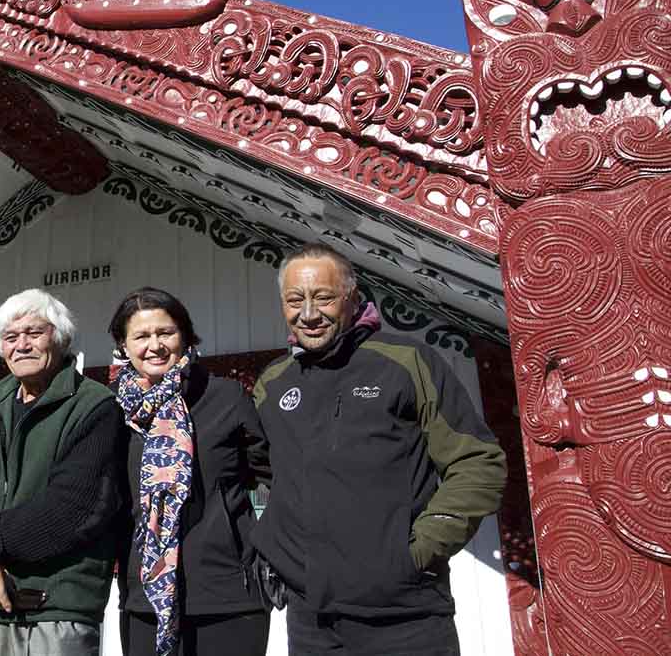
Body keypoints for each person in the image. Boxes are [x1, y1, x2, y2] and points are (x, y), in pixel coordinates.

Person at [249, 243, 507, 655]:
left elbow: (478, 462)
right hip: (313, 621)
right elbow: (262, 474)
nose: (309, 314)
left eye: (324, 297)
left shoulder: (407, 362)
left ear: (353, 297)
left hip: (406, 615)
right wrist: (276, 552)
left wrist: (415, 552)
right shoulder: (274, 383)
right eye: (295, 300)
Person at [0, 288, 126, 656]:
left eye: (35, 333)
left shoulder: (96, 407)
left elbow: (75, 506)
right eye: (10, 337)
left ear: (61, 338)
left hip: (49, 614)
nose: (22, 345)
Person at [109, 288, 271, 656]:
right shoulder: (114, 412)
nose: (155, 345)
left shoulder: (226, 397)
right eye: (142, 336)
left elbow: (271, 475)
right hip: (144, 597)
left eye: (165, 333)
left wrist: (260, 545)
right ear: (123, 344)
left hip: (227, 594)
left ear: (185, 335)